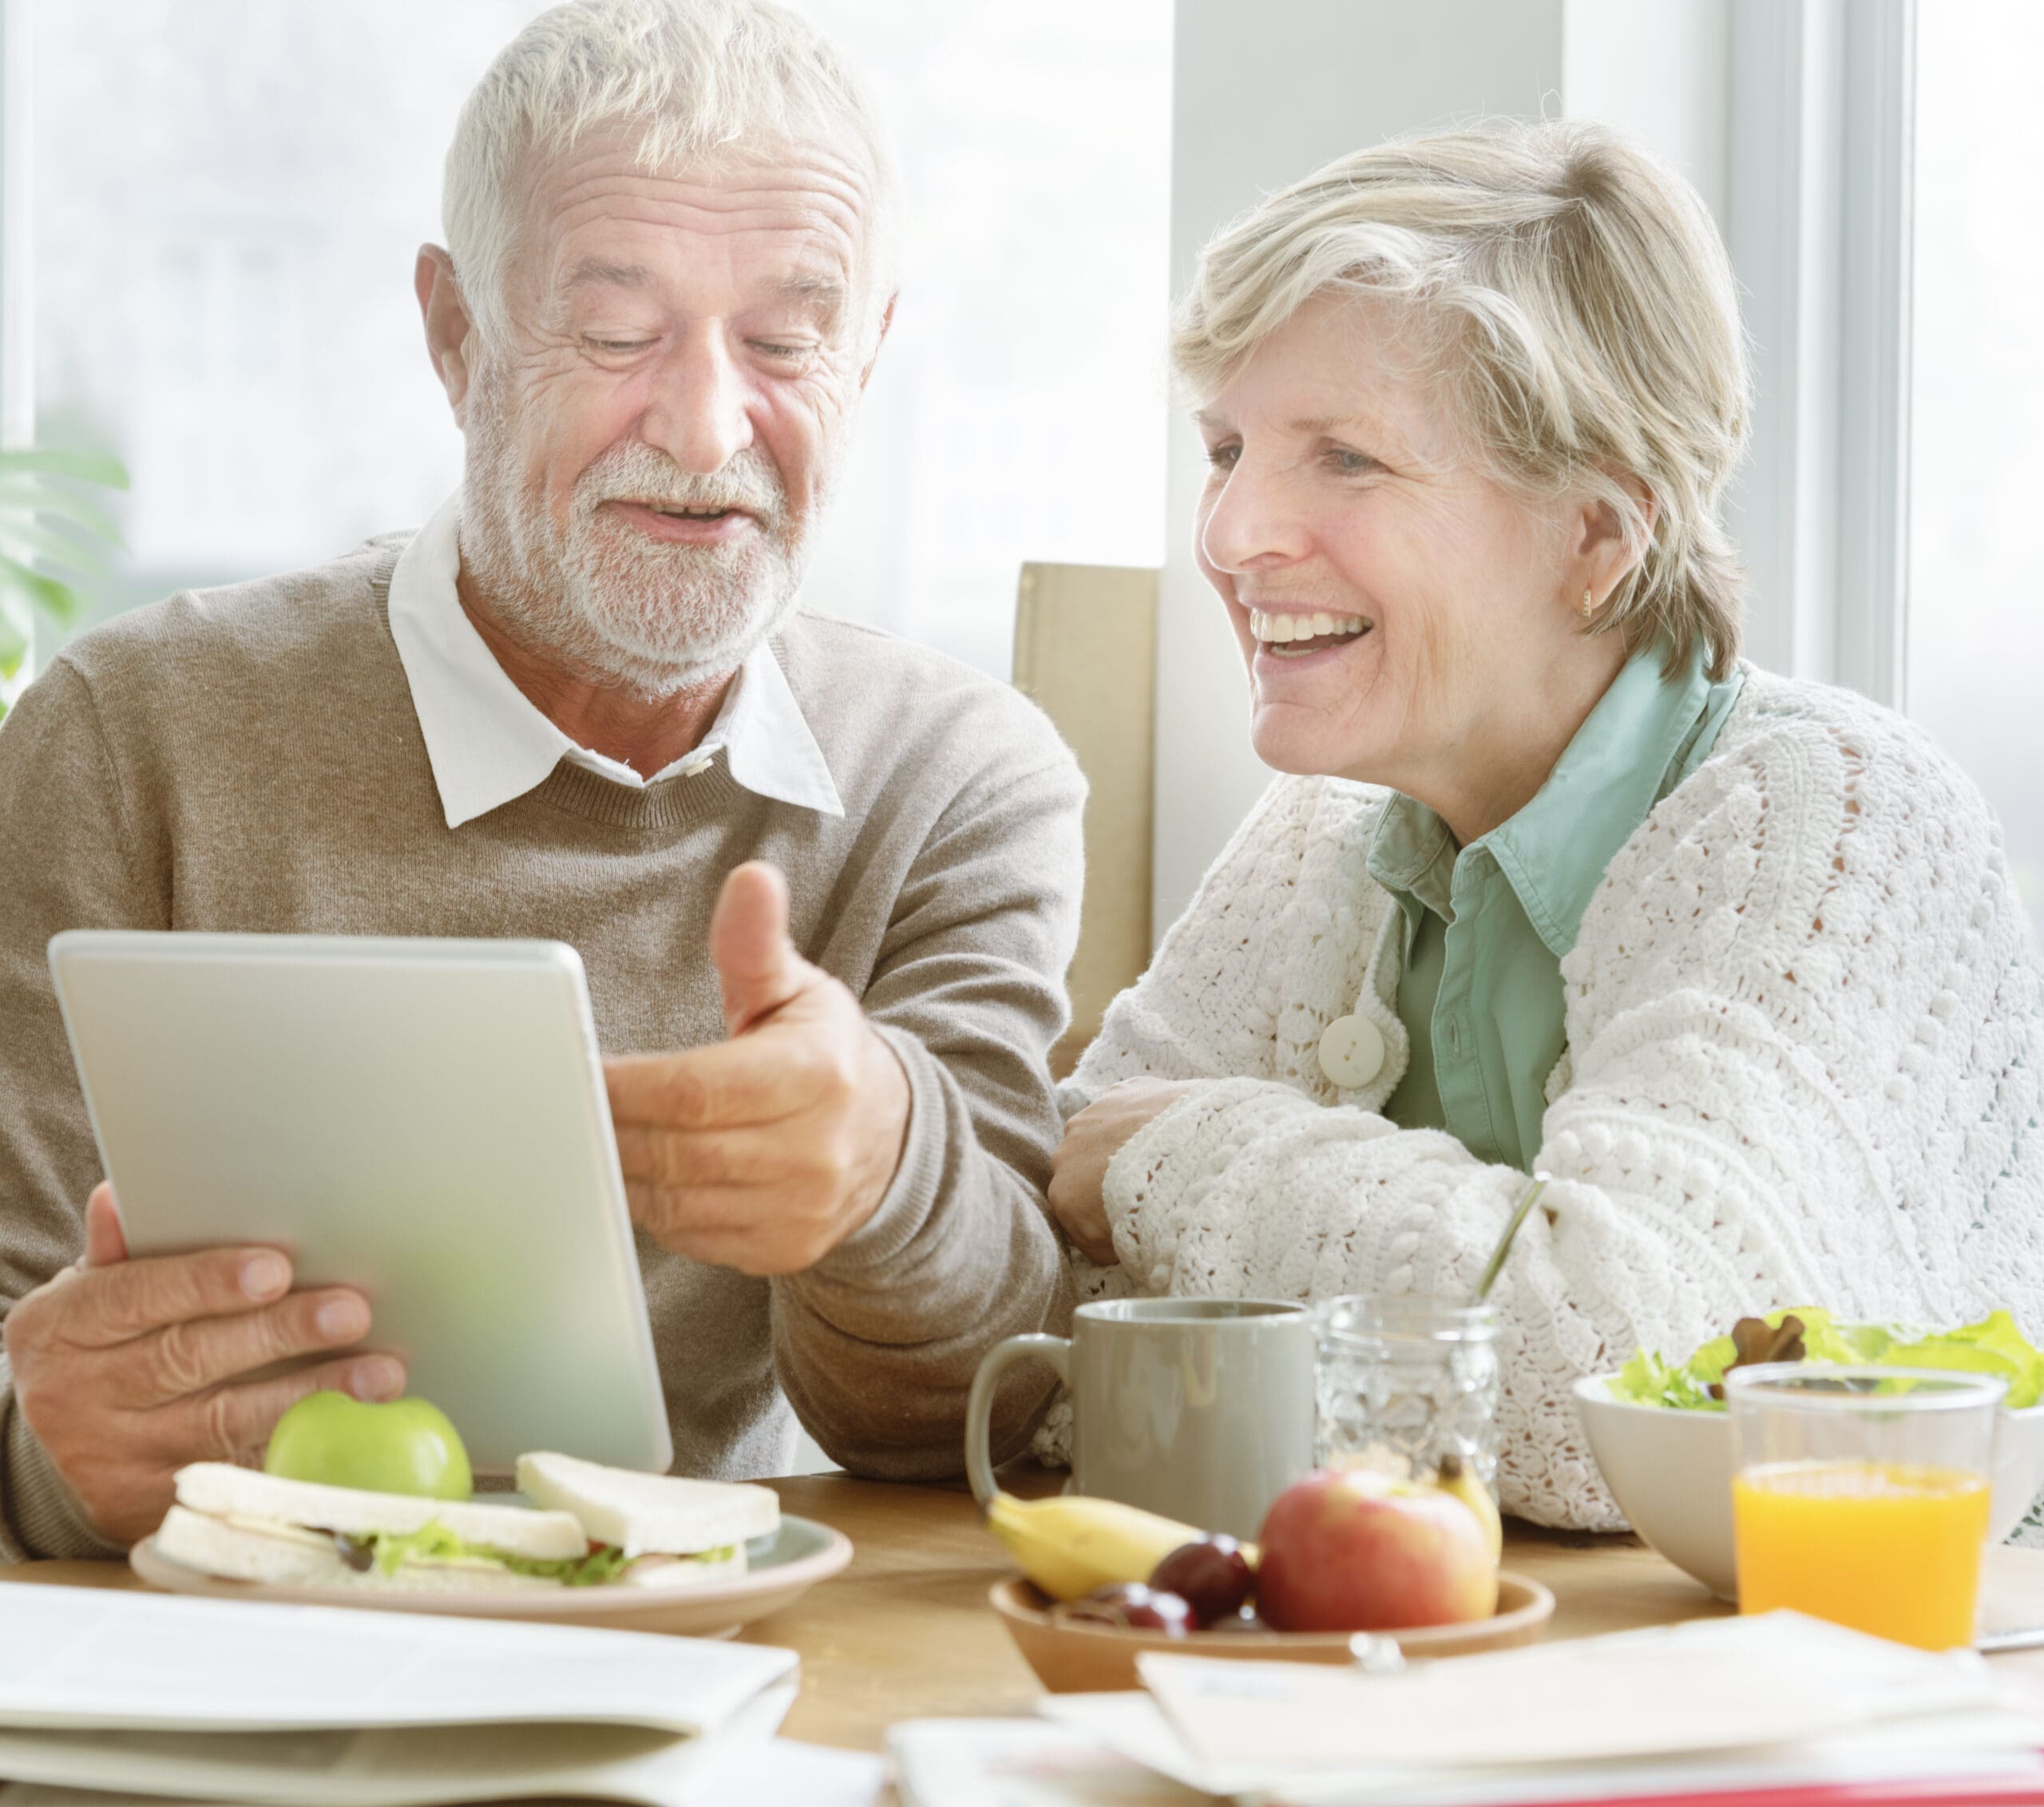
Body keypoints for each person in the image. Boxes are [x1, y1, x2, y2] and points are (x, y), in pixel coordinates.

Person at [0, 0, 1083, 1559]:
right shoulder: (128, 736)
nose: (710, 429)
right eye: (615, 330)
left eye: (785, 338)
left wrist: (884, 1169)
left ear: (871, 349)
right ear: (455, 336)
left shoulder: (956, 778)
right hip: (232, 1680)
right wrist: (46, 1457)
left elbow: (975, 1426)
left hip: (729, 1658)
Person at [1046, 120, 2044, 1530]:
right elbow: (1048, 1297)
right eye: (1227, 448)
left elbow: (1628, 1378)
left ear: (1597, 536)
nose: (1231, 533)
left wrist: (1186, 1161)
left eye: (1345, 459)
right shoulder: (1326, 831)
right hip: (1454, 1679)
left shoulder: (1833, 817)